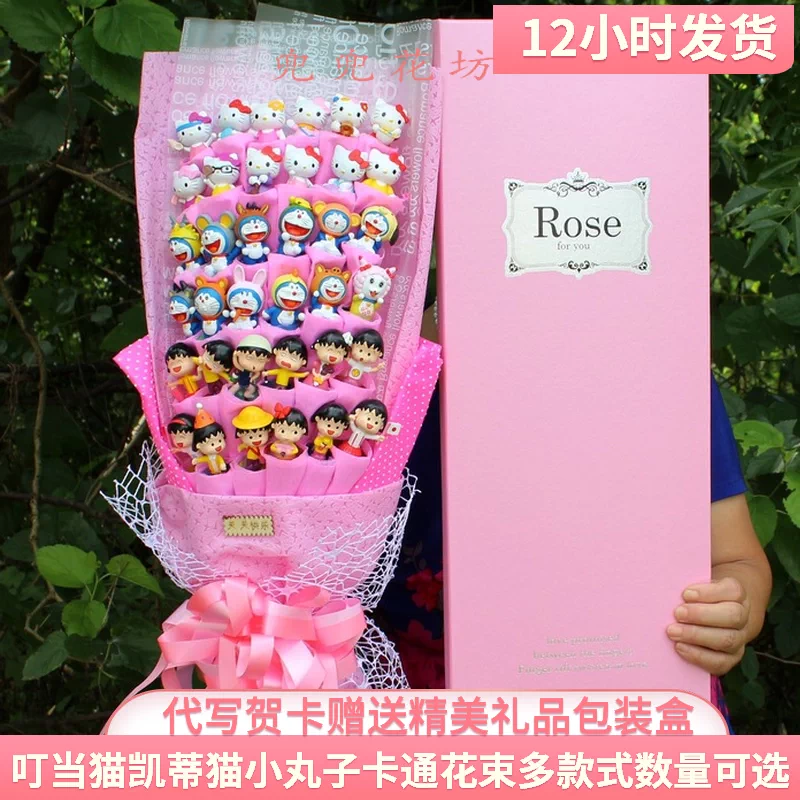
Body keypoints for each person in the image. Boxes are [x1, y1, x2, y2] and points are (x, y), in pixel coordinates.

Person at [377, 306, 772, 712]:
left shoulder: (667, 364)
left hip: (646, 704)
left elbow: (738, 560)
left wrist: (731, 615)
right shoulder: (377, 364)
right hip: (440, 709)